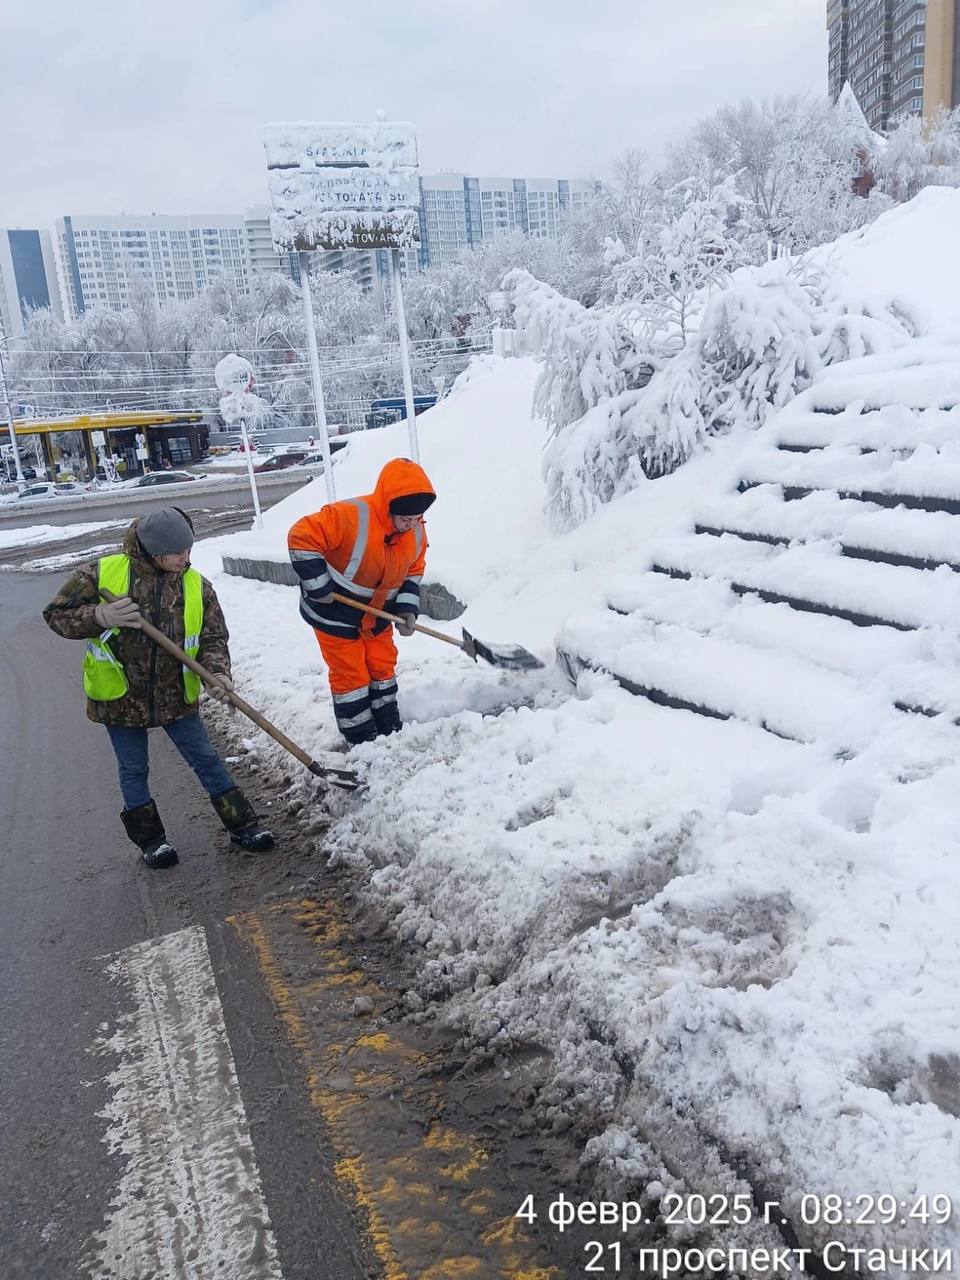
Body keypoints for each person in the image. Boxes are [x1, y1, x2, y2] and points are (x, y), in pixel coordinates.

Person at [43, 507, 275, 869]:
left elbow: (213, 638)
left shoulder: (197, 585)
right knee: (133, 768)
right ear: (154, 552)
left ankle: (243, 825)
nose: (187, 558)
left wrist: (219, 674)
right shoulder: (101, 573)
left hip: (174, 693)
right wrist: (98, 616)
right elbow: (55, 615)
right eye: (178, 553)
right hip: (120, 697)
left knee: (206, 760)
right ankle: (152, 842)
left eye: (188, 549)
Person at [287, 457, 435, 745]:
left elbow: (414, 570)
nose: (412, 525)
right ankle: (361, 738)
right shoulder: (350, 517)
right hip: (335, 613)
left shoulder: (415, 529)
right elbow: (301, 537)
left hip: (377, 616)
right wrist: (319, 586)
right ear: (389, 507)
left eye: (417, 518)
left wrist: (406, 609)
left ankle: (388, 725)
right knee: (351, 678)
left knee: (382, 668)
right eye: (406, 519)